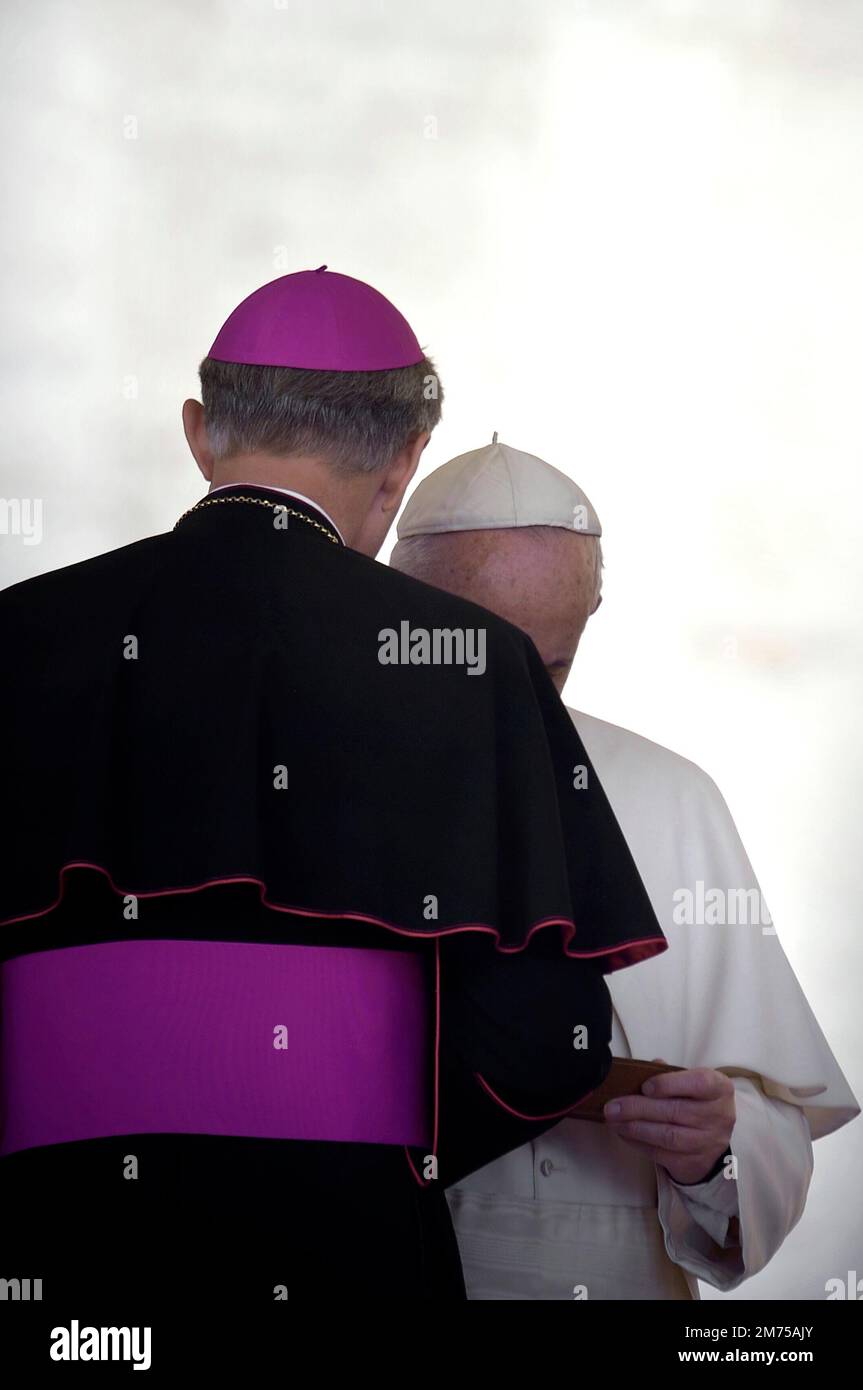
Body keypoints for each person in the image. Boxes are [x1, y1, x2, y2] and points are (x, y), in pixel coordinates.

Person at [0, 276, 665, 1307]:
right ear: (403, 466)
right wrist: (358, 1131)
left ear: (197, 432)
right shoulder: (468, 662)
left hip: (50, 1246)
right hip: (345, 1244)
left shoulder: (17, 635)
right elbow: (545, 1040)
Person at [390, 437, 859, 1300]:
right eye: (483, 663)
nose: (519, 702)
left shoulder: (670, 797)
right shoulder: (310, 778)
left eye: (552, 665)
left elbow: (772, 1143)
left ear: (590, 613)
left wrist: (715, 1147)